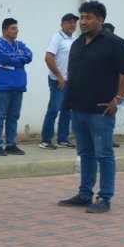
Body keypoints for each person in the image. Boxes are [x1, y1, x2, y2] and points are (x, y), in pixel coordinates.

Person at [58, 0, 124, 214]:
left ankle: (104, 197)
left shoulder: (114, 43)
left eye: (88, 18)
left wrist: (118, 99)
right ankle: (85, 194)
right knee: (85, 153)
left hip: (101, 111)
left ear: (100, 20)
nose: (83, 22)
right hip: (78, 108)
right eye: (82, 17)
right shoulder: (77, 43)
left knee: (103, 154)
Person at [0, 17, 32, 156]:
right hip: (2, 86)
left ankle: (11, 144)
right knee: (0, 116)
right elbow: (6, 58)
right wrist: (19, 58)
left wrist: (16, 58)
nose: (16, 31)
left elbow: (29, 55)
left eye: (16, 28)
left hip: (18, 85)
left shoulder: (20, 44)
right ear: (4, 31)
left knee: (13, 117)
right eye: (13, 28)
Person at [40, 13, 78, 150]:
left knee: (67, 110)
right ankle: (46, 140)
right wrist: (59, 76)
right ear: (62, 24)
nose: (72, 25)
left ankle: (63, 139)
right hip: (57, 80)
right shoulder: (57, 38)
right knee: (54, 109)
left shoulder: (74, 40)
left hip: (70, 81)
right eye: (69, 22)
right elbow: (48, 58)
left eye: (74, 22)